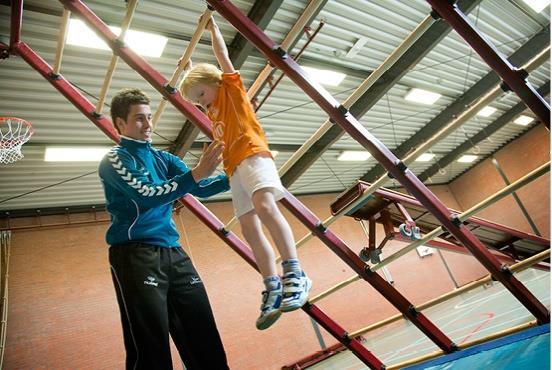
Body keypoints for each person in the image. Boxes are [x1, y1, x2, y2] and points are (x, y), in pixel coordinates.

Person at [181, 17, 311, 331]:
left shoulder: (230, 90)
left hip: (252, 154)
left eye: (199, 95)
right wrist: (186, 70)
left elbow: (222, 58)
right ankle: (273, 284)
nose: (199, 104)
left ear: (213, 83)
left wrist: (213, 31)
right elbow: (197, 83)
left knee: (266, 207)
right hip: (233, 167)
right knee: (250, 228)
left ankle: (295, 272)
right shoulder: (211, 107)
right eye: (195, 101)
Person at [98, 88, 230, 369]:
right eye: (138, 119)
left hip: (174, 253)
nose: (148, 126)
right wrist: (195, 174)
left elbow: (201, 187)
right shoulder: (115, 159)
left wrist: (239, 173)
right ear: (120, 124)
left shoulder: (165, 159)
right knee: (150, 345)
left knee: (203, 334)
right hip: (136, 255)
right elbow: (148, 193)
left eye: (149, 118)